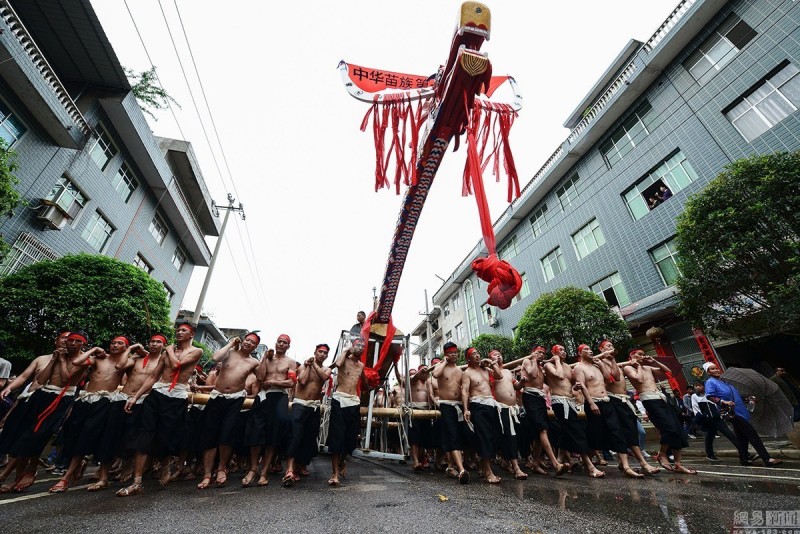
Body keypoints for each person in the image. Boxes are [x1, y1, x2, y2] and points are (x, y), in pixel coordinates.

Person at [123, 323, 204, 494]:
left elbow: (177, 366)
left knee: (167, 436)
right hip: (157, 394)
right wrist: (136, 397)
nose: (179, 332)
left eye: (183, 331)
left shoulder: (196, 351)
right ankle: (137, 481)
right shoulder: (169, 351)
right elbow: (153, 376)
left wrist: (168, 350)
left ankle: (165, 465)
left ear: (192, 334)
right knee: (144, 434)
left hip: (176, 398)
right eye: (178, 330)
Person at [50, 335, 131, 492]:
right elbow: (77, 362)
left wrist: (130, 349)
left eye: (120, 343)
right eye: (113, 342)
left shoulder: (127, 361)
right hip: (86, 400)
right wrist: (93, 350)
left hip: (106, 402)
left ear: (125, 347)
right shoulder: (99, 359)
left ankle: (98, 477)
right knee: (74, 434)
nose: (114, 345)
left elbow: (120, 366)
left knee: (103, 439)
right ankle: (72, 470)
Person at [0, 331, 74, 492]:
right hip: (29, 400)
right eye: (64, 338)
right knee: (17, 438)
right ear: (56, 340)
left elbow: (68, 380)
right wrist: (9, 388)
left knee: (32, 438)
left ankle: (23, 473)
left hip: (53, 404)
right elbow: (25, 376)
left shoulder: (75, 361)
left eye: (71, 340)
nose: (66, 342)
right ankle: (17, 477)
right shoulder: (42, 359)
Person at [197, 333, 259, 490]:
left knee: (227, 435)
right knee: (209, 435)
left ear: (255, 347)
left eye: (252, 342)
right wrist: (231, 343)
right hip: (217, 396)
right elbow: (215, 357)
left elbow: (263, 377)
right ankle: (207, 474)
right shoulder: (229, 353)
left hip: (236, 399)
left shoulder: (253, 362)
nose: (248, 343)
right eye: (247, 340)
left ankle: (221, 468)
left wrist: (269, 359)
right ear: (242, 340)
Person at [574, 344, 640, 478]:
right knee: (595, 435)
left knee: (617, 432)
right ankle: (587, 461)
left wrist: (601, 364)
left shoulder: (596, 366)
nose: (590, 351)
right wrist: (591, 403)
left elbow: (609, 378)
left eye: (590, 349)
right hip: (594, 403)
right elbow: (583, 387)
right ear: (580, 353)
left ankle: (626, 467)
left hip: (607, 402)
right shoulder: (578, 368)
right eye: (586, 349)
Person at [113, 334, 168, 496]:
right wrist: (130, 349)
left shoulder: (164, 361)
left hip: (147, 402)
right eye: (152, 341)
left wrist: (138, 397)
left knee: (140, 437)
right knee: (119, 434)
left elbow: (156, 378)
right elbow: (119, 365)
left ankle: (148, 470)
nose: (154, 344)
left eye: (158, 342)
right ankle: (123, 466)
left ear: (163, 346)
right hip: (125, 398)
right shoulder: (136, 359)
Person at [624, 349, 695, 474]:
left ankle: (678, 464)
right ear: (631, 356)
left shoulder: (648, 367)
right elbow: (639, 379)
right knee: (669, 429)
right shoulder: (629, 368)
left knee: (678, 430)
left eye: (643, 354)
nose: (642, 355)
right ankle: (662, 454)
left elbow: (668, 372)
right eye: (639, 354)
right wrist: (636, 365)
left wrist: (655, 361)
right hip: (649, 400)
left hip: (661, 398)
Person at [594, 341, 659, 475]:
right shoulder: (598, 362)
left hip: (624, 401)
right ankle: (638, 464)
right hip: (613, 401)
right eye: (608, 346)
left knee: (632, 431)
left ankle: (627, 463)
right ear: (601, 349)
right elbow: (613, 378)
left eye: (612, 345)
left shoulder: (616, 362)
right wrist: (605, 358)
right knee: (620, 433)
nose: (612, 348)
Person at [703, 362, 783, 467]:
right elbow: (710, 396)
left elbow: (736, 397)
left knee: (742, 437)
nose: (716, 370)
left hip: (741, 410)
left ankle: (744, 459)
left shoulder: (726, 382)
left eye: (716, 368)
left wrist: (749, 399)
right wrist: (724, 402)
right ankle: (767, 458)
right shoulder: (710, 382)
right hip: (731, 413)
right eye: (712, 369)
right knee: (751, 433)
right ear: (708, 372)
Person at [244, 334, 297, 487]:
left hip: (279, 398)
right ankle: (253, 469)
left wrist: (273, 382)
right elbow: (260, 378)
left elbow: (291, 382)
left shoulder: (290, 362)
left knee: (273, 437)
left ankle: (264, 472)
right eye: (279, 341)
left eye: (284, 342)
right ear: (275, 343)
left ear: (288, 346)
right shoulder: (267, 359)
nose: (281, 344)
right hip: (263, 397)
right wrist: (264, 359)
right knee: (255, 432)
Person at [543, 345, 603, 478]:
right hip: (559, 402)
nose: (563, 352)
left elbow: (572, 384)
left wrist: (575, 386)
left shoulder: (568, 367)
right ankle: (589, 466)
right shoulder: (549, 365)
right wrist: (557, 360)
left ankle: (558, 462)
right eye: (560, 350)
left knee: (567, 432)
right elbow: (559, 376)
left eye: (564, 350)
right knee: (577, 431)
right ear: (553, 352)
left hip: (571, 401)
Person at [282, 343, 331, 487]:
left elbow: (323, 378)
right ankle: (290, 469)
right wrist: (309, 366)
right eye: (320, 352)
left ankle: (301, 465)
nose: (322, 354)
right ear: (315, 352)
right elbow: (302, 381)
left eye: (324, 353)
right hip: (300, 404)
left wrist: (314, 365)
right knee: (295, 435)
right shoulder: (303, 367)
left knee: (309, 437)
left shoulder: (326, 369)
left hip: (314, 406)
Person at [327, 336, 367, 486]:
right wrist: (345, 351)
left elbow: (363, 379)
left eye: (363, 346)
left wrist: (370, 386)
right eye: (358, 345)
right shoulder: (343, 359)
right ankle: (334, 473)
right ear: (352, 346)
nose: (361, 348)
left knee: (351, 438)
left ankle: (342, 462)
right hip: (340, 399)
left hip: (353, 401)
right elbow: (337, 364)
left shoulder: (361, 365)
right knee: (337, 436)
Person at [519, 345, 565, 475]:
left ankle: (535, 463)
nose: (541, 355)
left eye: (543, 353)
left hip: (540, 398)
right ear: (532, 353)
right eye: (538, 352)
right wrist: (534, 359)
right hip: (530, 397)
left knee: (539, 434)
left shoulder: (541, 365)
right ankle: (555, 463)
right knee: (542, 429)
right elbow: (533, 375)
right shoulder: (527, 361)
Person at [462, 347, 503, 484]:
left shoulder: (485, 369)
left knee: (494, 437)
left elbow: (499, 376)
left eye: (478, 353)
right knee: (484, 437)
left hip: (491, 404)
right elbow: (465, 392)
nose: (478, 355)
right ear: (468, 358)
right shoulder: (467, 373)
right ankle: (488, 472)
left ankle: (483, 466)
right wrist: (466, 409)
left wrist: (491, 363)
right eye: (474, 354)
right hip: (478, 405)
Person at [432, 342, 469, 483]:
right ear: (446, 353)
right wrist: (443, 362)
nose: (454, 355)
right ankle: (461, 470)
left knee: (458, 436)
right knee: (453, 436)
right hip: (446, 405)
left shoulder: (460, 371)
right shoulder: (440, 367)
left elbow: (465, 391)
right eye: (451, 352)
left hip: (459, 406)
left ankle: (451, 466)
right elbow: (435, 374)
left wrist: (466, 409)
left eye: (455, 352)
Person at [488, 350, 527, 480]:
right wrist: (492, 364)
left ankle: (505, 460)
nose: (498, 355)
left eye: (499, 354)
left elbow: (516, 386)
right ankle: (516, 467)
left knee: (513, 436)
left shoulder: (508, 372)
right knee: (509, 437)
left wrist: (522, 381)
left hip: (513, 409)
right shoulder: (489, 371)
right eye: (494, 354)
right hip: (500, 408)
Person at [690, 381, 737, 461]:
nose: (698, 387)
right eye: (696, 386)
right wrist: (704, 417)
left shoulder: (709, 395)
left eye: (700, 385)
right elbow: (695, 409)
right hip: (707, 421)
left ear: (704, 386)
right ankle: (710, 455)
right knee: (709, 437)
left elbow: (717, 404)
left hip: (717, 419)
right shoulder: (694, 396)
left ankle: (744, 452)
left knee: (730, 435)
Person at [406, 365, 434, 471]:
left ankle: (421, 460)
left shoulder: (428, 382)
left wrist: (436, 404)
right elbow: (414, 377)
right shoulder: (413, 380)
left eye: (427, 372)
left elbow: (431, 395)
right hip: (414, 410)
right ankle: (416, 462)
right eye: (424, 372)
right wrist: (420, 372)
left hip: (426, 411)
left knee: (424, 438)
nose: (425, 374)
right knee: (414, 438)